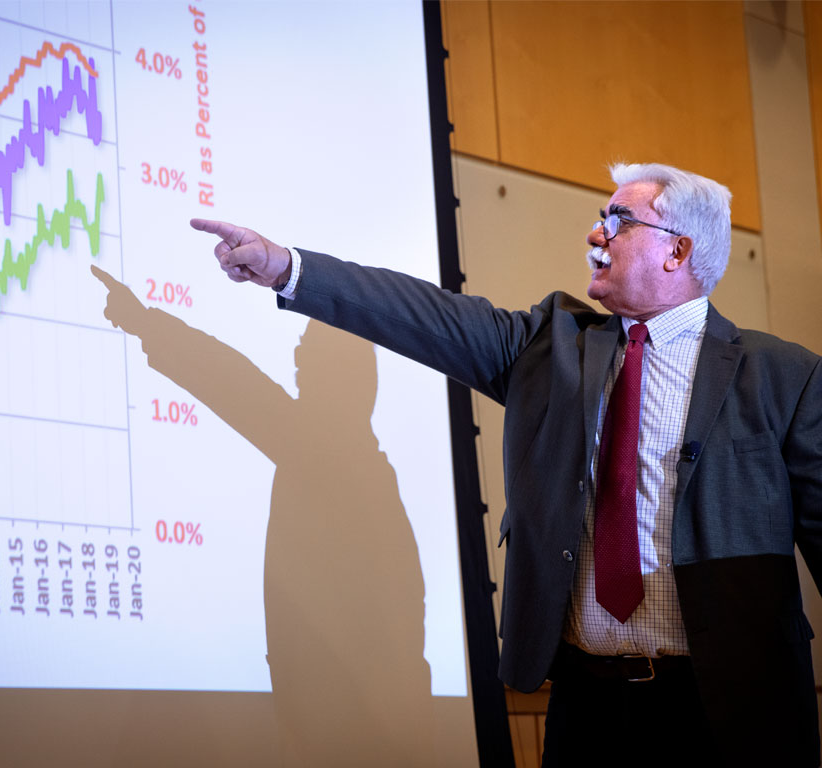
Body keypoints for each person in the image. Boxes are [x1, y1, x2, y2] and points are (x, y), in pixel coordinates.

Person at [183, 163, 822, 767]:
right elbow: (424, 316)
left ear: (677, 251)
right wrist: (285, 268)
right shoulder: (552, 346)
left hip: (728, 711)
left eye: (619, 220)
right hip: (585, 704)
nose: (595, 234)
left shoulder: (783, 377)